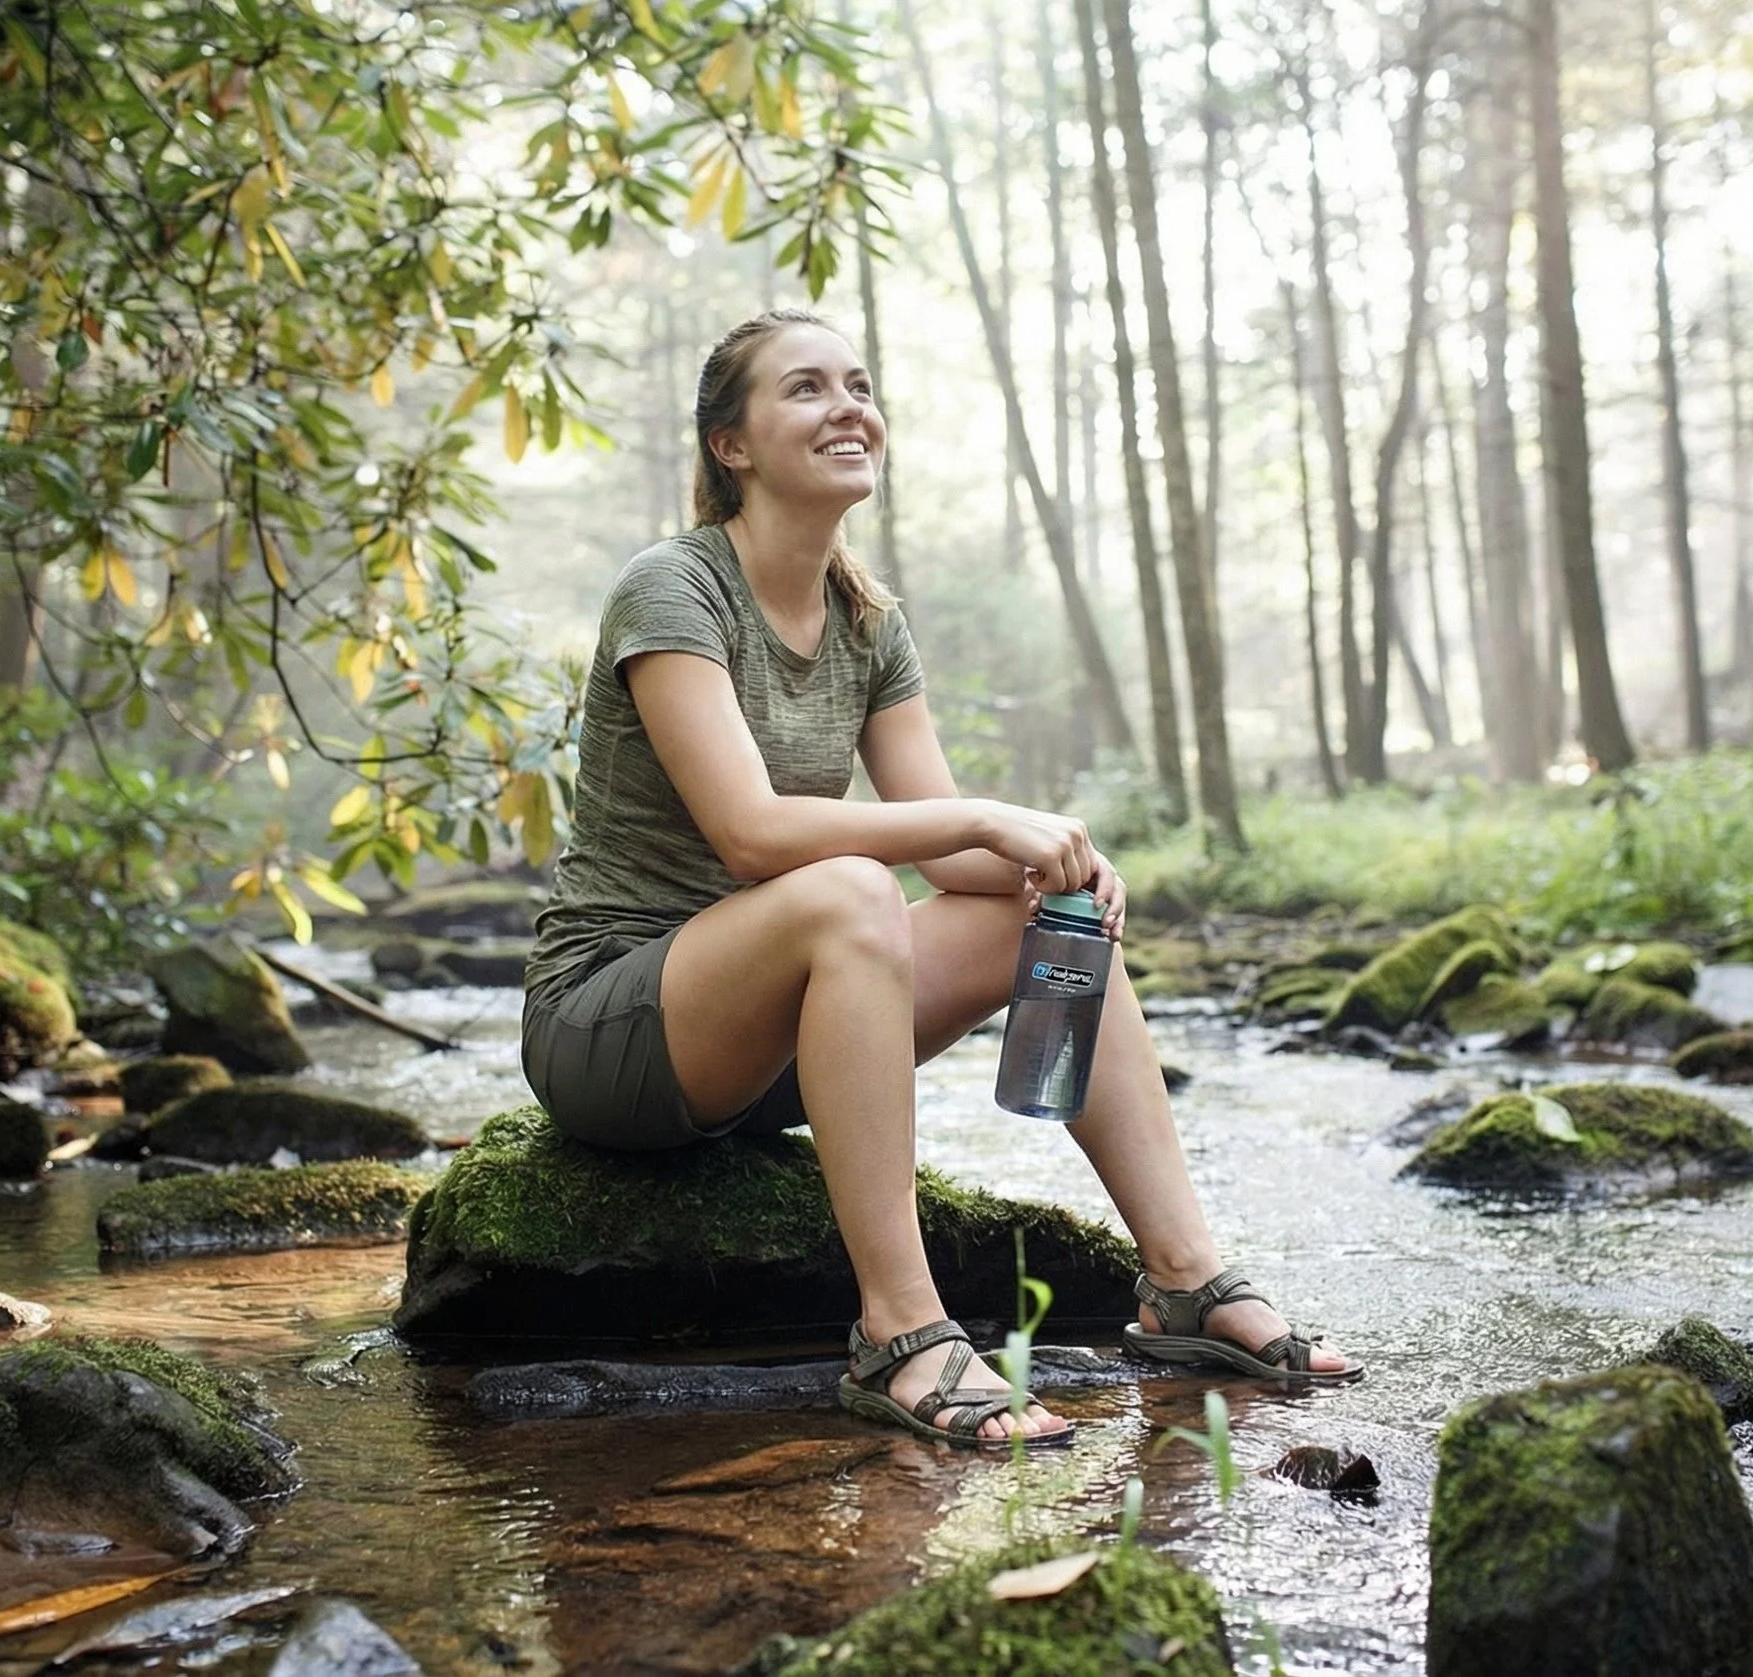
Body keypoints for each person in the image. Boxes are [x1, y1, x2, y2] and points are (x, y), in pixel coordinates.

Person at [520, 307, 1361, 1449]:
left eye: (858, 386)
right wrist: (982, 813)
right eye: (806, 389)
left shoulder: (867, 621)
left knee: (1042, 911)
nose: (848, 408)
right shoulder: (673, 588)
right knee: (850, 890)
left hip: (774, 1037)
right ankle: (900, 1330)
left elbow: (948, 855)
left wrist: (1052, 854)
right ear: (731, 445)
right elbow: (753, 836)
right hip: (615, 1025)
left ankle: (1182, 1283)